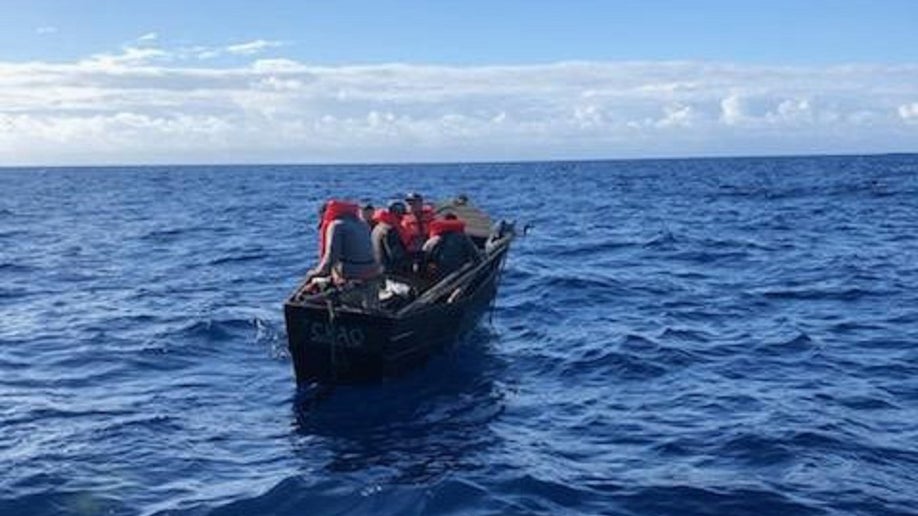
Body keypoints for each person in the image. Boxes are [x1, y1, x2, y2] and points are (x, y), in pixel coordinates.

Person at [306, 199, 382, 309]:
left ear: (326, 214)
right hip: (372, 274)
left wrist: (313, 273)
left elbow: (330, 259)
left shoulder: (336, 225)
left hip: (352, 276)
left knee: (309, 298)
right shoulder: (363, 224)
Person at [422, 214, 481, 280]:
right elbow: (474, 255)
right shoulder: (463, 237)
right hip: (458, 271)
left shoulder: (434, 238)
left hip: (440, 272)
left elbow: (425, 252)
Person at [371, 201, 411, 275]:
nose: (403, 218)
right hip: (392, 273)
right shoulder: (390, 231)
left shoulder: (378, 227)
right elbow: (396, 256)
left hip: (379, 269)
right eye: (401, 216)